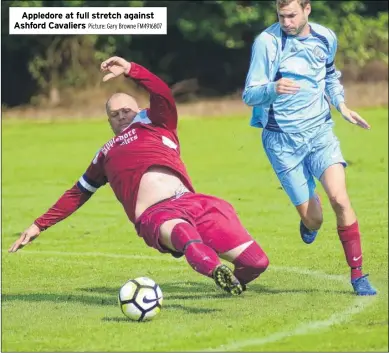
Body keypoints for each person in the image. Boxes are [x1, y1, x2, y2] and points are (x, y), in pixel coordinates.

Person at [9, 56, 269, 296]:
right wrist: (39, 224)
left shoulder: (158, 122)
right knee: (181, 232)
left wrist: (132, 70)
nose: (121, 116)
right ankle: (214, 269)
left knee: (256, 262)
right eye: (114, 114)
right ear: (108, 121)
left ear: (140, 109)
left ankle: (231, 283)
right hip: (155, 214)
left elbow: (162, 92)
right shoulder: (105, 153)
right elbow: (78, 193)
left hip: (193, 202)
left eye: (126, 111)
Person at [242, 0, 376, 295]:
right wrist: (272, 88)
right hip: (282, 142)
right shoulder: (267, 42)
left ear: (307, 10)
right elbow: (250, 95)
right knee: (314, 218)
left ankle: (358, 275)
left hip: (319, 133)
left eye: (292, 15)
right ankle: (309, 221)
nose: (286, 22)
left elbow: (330, 76)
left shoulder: (325, 37)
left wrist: (341, 105)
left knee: (340, 200)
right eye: (281, 16)